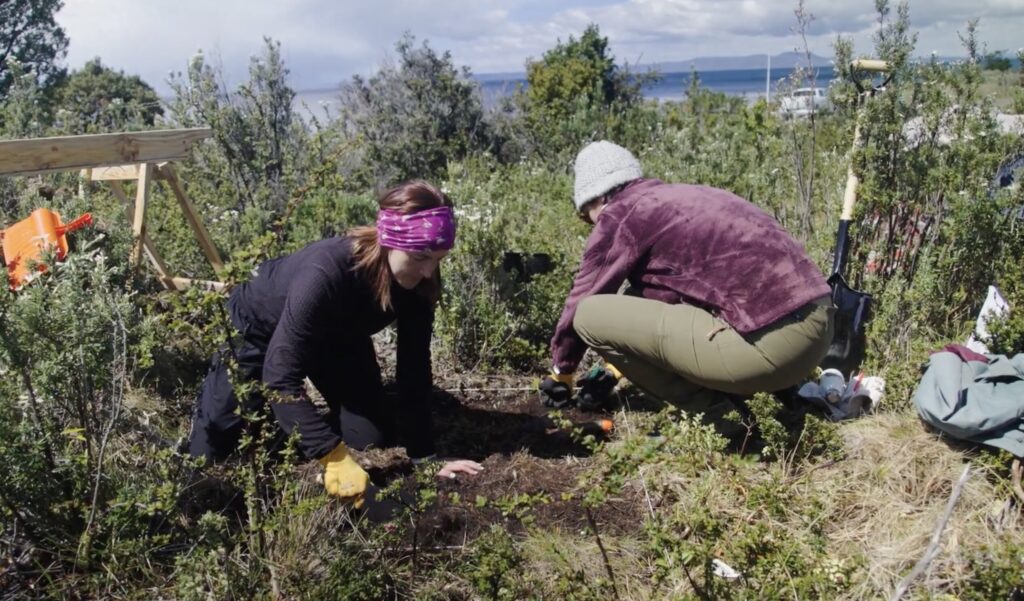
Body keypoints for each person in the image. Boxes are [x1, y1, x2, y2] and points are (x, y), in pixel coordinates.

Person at [189, 180, 483, 505]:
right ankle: (249, 412)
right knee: (217, 442)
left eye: (439, 259)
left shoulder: (419, 281)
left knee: (370, 438)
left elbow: (413, 368)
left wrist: (424, 457)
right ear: (391, 242)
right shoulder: (326, 272)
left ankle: (293, 420)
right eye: (420, 257)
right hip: (260, 326)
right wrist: (332, 457)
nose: (429, 271)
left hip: (339, 336)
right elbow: (280, 376)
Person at [538, 141, 835, 420]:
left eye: (585, 214)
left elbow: (583, 303)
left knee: (591, 315)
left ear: (600, 197)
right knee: (633, 298)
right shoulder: (688, 196)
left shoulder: (621, 214)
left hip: (773, 349)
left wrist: (562, 371)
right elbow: (666, 300)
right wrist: (616, 368)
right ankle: (774, 393)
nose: (590, 223)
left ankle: (724, 422)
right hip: (818, 330)